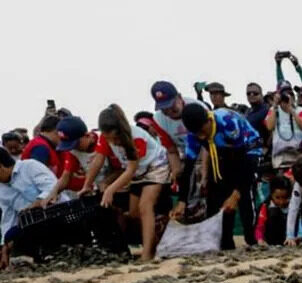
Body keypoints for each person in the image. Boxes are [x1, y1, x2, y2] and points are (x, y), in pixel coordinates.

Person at [82, 105, 170, 261]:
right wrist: (87, 184)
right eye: (109, 139)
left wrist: (110, 190)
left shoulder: (135, 137)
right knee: (134, 213)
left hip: (155, 166)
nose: (113, 142)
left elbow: (130, 170)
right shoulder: (105, 137)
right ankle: (156, 245)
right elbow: (98, 160)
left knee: (145, 206)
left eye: (115, 138)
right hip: (137, 171)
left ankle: (147, 254)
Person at [170, 104, 262, 249]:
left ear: (208, 121)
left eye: (202, 131)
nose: (201, 136)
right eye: (196, 133)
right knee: (219, 198)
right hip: (221, 153)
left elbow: (243, 163)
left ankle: (251, 239)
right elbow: (188, 168)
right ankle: (226, 243)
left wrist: (235, 194)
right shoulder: (194, 135)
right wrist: (182, 201)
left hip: (248, 151)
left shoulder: (228, 123)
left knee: (243, 195)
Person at [0, 148, 63, 269]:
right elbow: (7, 218)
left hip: (57, 214)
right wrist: (5, 247)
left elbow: (53, 187)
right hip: (30, 226)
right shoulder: (1, 189)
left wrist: (38, 202)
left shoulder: (30, 167)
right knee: (11, 235)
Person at [45, 116, 118, 202]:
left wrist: (106, 182)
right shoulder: (73, 151)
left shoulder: (106, 139)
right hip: (100, 191)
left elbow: (122, 169)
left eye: (76, 144)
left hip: (120, 187)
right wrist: (54, 192)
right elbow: (66, 176)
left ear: (87, 135)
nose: (74, 148)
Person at [149, 81, 204, 183]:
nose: (169, 111)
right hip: (186, 156)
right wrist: (176, 172)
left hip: (207, 151)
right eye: (164, 109)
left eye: (172, 106)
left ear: (179, 97)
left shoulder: (198, 108)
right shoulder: (158, 120)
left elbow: (210, 141)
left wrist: (204, 171)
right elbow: (171, 150)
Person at [264, 80, 302, 171]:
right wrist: (275, 105)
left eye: (290, 93)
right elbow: (269, 126)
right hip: (280, 157)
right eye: (284, 94)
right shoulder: (273, 110)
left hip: (298, 156)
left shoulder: (300, 110)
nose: (287, 96)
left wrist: (291, 109)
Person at [254, 175, 292, 246]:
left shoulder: (293, 205)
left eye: (284, 197)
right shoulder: (265, 206)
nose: (281, 202)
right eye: (277, 198)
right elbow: (259, 227)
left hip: (290, 240)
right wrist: (260, 239)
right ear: (271, 194)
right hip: (271, 242)